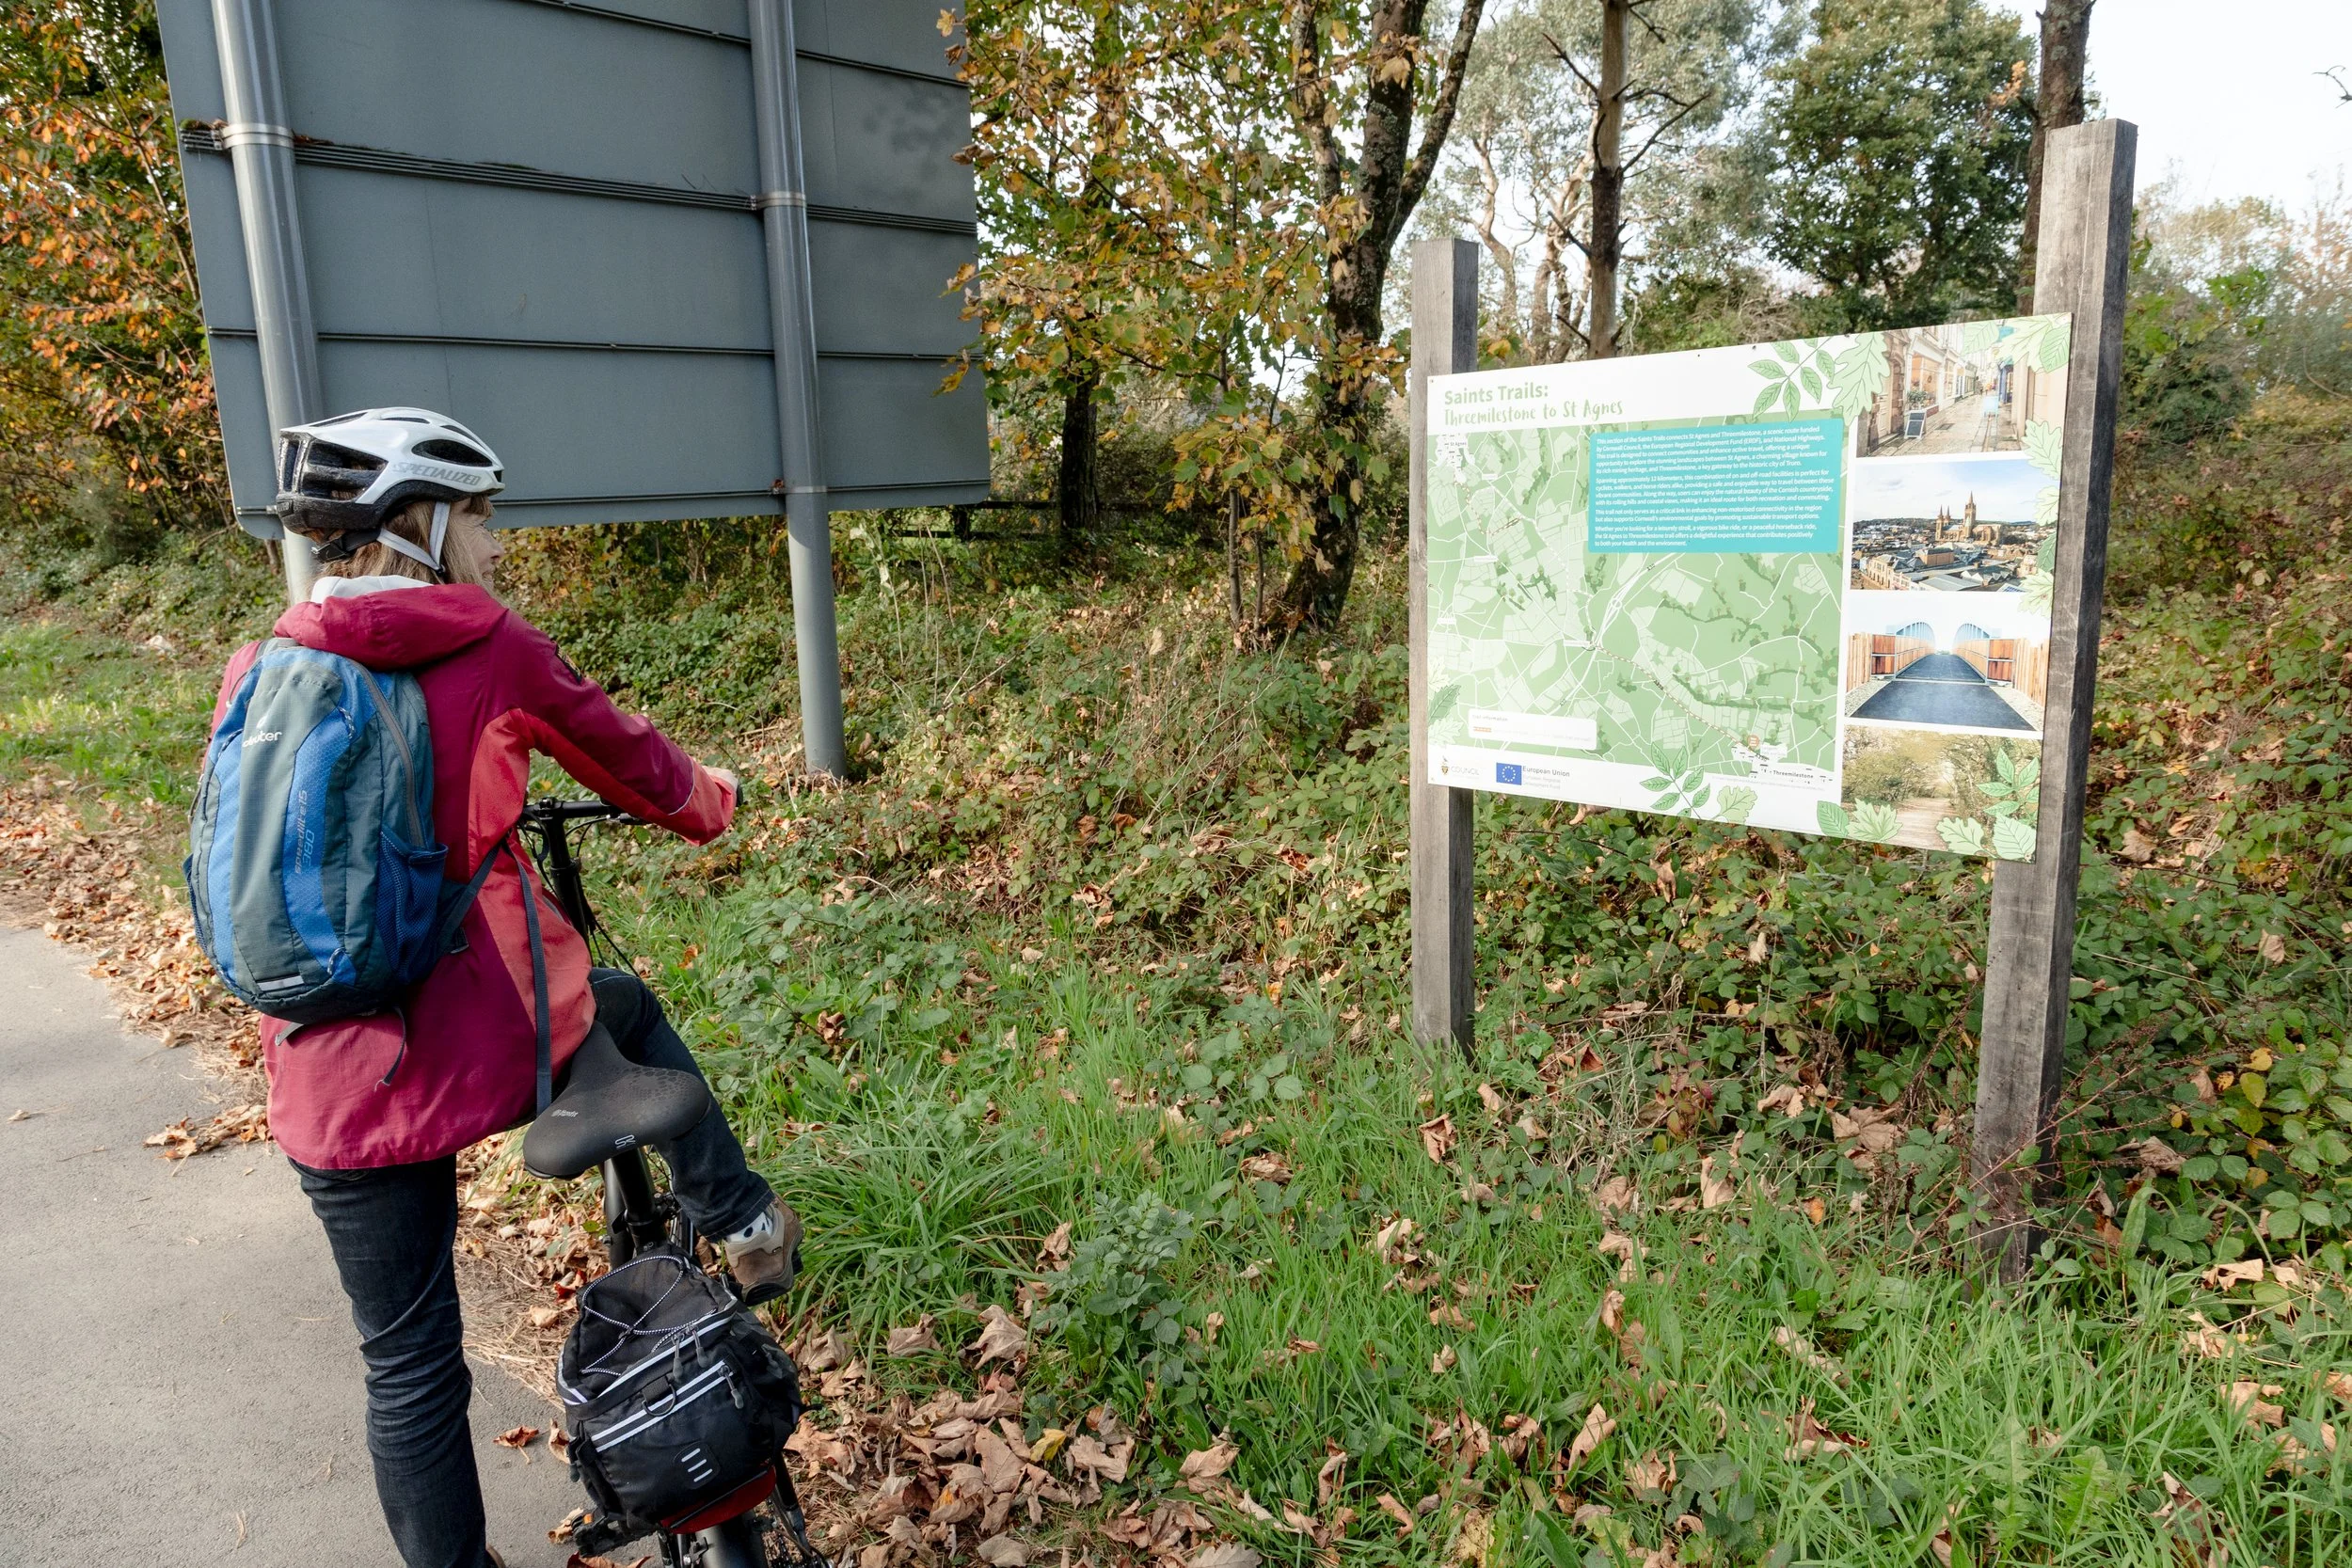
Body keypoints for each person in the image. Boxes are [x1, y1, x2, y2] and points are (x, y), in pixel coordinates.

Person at [212, 407, 802, 1568]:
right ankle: (742, 1219)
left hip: (324, 1070)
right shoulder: (483, 643)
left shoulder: (262, 664)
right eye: (477, 515)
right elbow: (636, 763)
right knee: (620, 1003)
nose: (493, 543)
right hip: (476, 1040)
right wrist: (717, 797)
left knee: (408, 1358)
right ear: (419, 524)